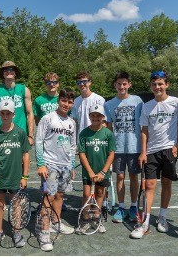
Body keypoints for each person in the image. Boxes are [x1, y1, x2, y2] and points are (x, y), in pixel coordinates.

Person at [130, 71, 178, 239]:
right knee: (150, 186)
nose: (157, 87)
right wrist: (143, 152)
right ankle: (145, 221)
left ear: (166, 85)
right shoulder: (146, 106)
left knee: (167, 183)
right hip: (152, 151)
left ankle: (162, 217)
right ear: (151, 87)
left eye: (160, 84)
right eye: (154, 84)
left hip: (169, 149)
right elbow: (144, 131)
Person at [35, 88, 76, 251]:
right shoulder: (47, 118)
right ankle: (44, 233)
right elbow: (39, 141)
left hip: (65, 166)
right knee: (48, 199)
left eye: (70, 102)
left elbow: (73, 146)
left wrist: (72, 165)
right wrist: (41, 164)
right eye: (64, 100)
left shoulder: (72, 122)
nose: (66, 104)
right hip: (50, 165)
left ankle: (55, 223)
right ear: (59, 101)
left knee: (60, 196)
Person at [0, 99, 30, 248]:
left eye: (8, 113)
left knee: (16, 204)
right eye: (2, 113)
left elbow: (26, 155)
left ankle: (16, 231)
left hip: (16, 176)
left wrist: (24, 176)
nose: (5, 116)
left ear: (13, 114)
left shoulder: (20, 132)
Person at [104, 71, 143, 223]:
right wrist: (109, 147)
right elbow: (108, 128)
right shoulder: (108, 104)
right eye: (119, 84)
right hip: (118, 147)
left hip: (135, 147)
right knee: (120, 176)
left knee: (134, 177)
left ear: (129, 85)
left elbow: (143, 124)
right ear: (115, 85)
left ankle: (133, 206)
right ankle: (121, 207)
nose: (122, 86)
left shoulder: (138, 101)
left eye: (124, 84)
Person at [76, 104, 115, 234]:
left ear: (103, 117)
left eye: (98, 115)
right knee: (87, 195)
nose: (95, 118)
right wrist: (91, 172)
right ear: (89, 116)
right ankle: (86, 219)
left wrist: (103, 172)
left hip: (103, 172)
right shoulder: (84, 133)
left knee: (99, 193)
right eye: (93, 115)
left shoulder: (108, 133)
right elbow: (81, 153)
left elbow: (111, 153)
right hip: (88, 172)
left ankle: (96, 218)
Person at [33, 72, 68, 211]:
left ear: (58, 84)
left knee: (60, 175)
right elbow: (37, 120)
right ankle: (46, 202)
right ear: (45, 84)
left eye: (54, 82)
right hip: (46, 142)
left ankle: (59, 201)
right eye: (49, 83)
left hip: (60, 142)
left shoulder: (62, 99)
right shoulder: (39, 100)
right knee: (47, 176)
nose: (51, 85)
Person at [0, 61, 35, 145]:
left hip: (20, 133)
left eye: (11, 69)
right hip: (1, 134)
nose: (9, 71)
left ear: (15, 73)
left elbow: (29, 113)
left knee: (24, 158)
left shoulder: (24, 89)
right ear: (2, 73)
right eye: (5, 70)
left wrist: (30, 135)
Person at [71, 71, 106, 139]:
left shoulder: (99, 99)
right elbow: (75, 123)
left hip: (96, 140)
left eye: (84, 81)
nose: (81, 84)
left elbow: (103, 122)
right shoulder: (75, 101)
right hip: (80, 140)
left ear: (89, 82)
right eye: (79, 82)